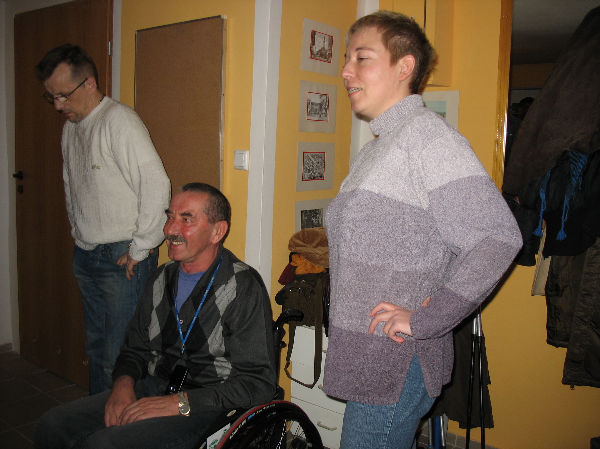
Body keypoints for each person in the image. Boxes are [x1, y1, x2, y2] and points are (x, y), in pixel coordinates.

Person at [322, 11, 522, 449]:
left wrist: (427, 318)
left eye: (361, 58)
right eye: (346, 60)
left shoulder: (428, 138)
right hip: (369, 355)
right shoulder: (377, 150)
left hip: (396, 357)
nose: (346, 71)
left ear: (404, 66)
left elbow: (497, 237)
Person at [34, 183, 277, 449]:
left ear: (217, 231)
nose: (170, 229)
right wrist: (123, 385)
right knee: (52, 425)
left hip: (208, 404)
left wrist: (179, 403)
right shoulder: (161, 278)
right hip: (154, 387)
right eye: (170, 217)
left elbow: (257, 383)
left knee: (104, 444)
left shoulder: (242, 287)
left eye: (186, 219)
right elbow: (134, 349)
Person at [35, 44, 171, 394]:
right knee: (96, 351)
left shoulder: (119, 121)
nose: (58, 105)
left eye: (63, 95)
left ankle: (124, 425)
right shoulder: (71, 128)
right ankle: (99, 420)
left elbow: (156, 183)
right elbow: (72, 185)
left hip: (123, 258)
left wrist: (141, 247)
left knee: (120, 359)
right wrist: (78, 234)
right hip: (87, 253)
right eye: (52, 97)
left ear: (90, 84)